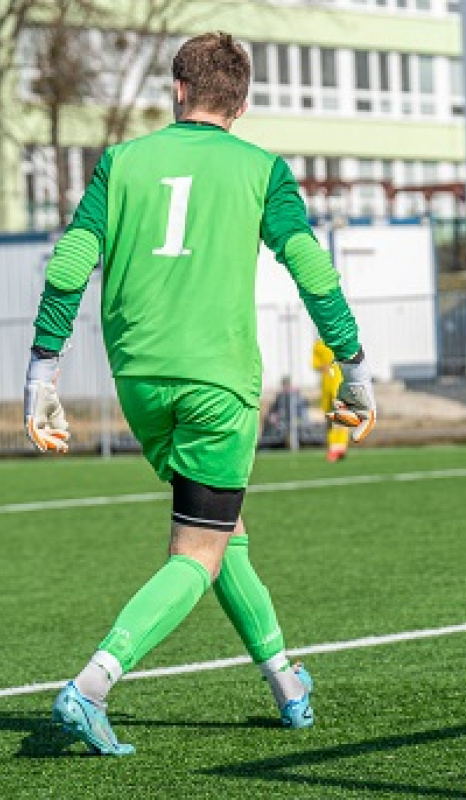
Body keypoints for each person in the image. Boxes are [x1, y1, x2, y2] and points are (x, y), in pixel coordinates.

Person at [23, 32, 376, 756]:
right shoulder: (262, 169)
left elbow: (71, 260)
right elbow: (310, 266)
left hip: (142, 382)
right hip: (218, 384)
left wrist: (40, 373)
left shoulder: (121, 161)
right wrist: (355, 368)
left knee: (222, 533)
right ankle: (90, 685)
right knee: (198, 550)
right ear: (240, 104)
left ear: (178, 91)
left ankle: (286, 680)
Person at [312, 339, 350, 462]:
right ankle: (333, 447)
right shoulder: (319, 344)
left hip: (339, 385)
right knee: (329, 418)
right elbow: (315, 363)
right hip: (326, 386)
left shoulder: (340, 340)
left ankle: (340, 447)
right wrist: (322, 366)